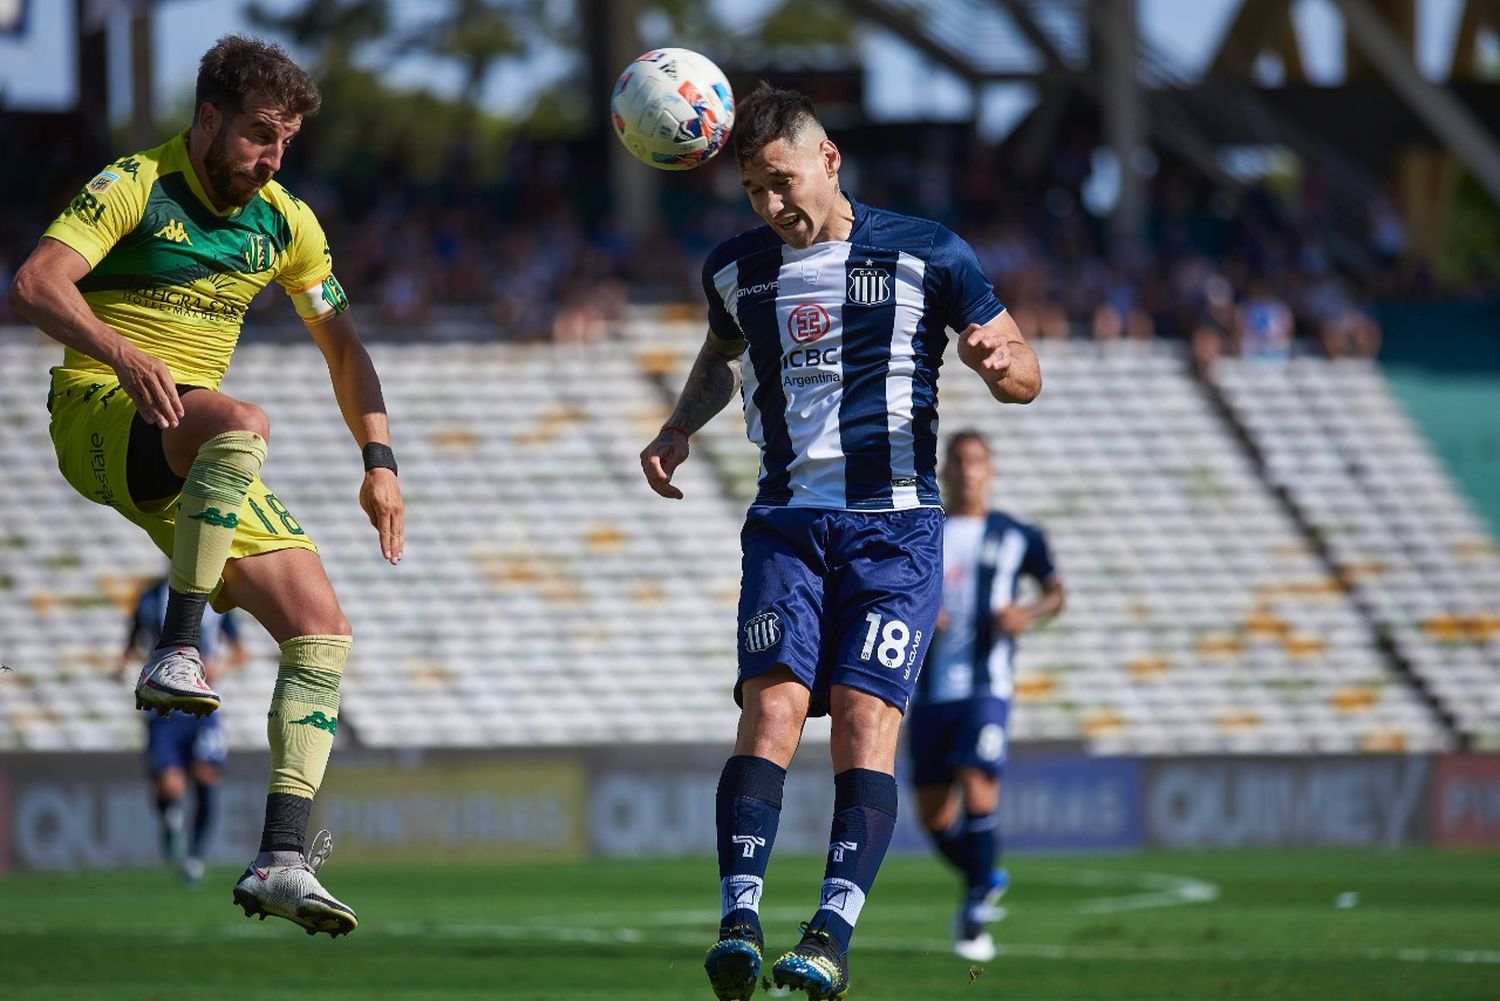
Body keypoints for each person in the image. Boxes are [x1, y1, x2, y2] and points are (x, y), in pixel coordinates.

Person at [639, 82, 1041, 1001]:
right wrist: (677, 427)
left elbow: (1024, 372)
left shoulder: (929, 252)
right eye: (752, 190)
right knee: (770, 713)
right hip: (784, 524)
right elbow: (720, 353)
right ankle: (739, 917)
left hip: (895, 531)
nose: (771, 205)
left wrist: (1000, 362)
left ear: (828, 162)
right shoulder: (736, 268)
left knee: (864, 725)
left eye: (781, 181)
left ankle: (830, 933)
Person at [7, 35, 405, 938]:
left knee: (321, 628)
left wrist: (380, 461)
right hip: (101, 412)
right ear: (208, 117)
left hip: (199, 449)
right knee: (241, 421)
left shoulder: (286, 221)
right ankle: (177, 645)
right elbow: (35, 284)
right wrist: (120, 350)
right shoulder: (133, 185)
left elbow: (345, 348)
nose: (270, 158)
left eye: (285, 143)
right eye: (259, 135)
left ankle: (282, 858)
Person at [906, 431, 1065, 963]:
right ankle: (984, 872)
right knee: (933, 817)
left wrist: (1027, 614)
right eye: (957, 461)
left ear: (989, 470)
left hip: (985, 689)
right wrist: (919, 613)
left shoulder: (1016, 534)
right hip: (928, 692)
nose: (966, 471)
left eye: (975, 461)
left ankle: (973, 913)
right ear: (945, 470)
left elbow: (1055, 591)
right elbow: (892, 590)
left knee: (978, 782)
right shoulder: (921, 530)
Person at [116, 574, 248, 886]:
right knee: (170, 786)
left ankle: (196, 857)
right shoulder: (149, 597)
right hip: (163, 707)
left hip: (203, 705)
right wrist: (123, 665)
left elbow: (239, 649)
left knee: (205, 775)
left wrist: (221, 667)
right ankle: (170, 820)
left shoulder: (217, 599)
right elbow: (132, 643)